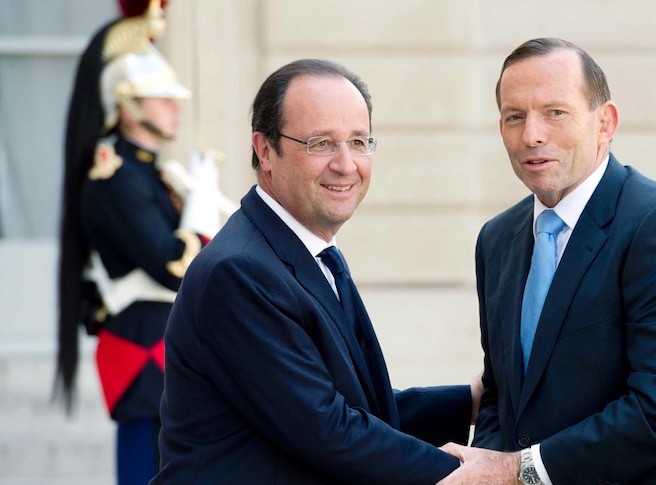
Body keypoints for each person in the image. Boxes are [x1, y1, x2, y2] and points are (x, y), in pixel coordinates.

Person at [152, 58, 479, 485]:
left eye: (359, 142)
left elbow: (360, 409)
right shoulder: (240, 272)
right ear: (266, 150)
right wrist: (479, 476)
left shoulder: (307, 253)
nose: (346, 164)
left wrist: (469, 402)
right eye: (321, 143)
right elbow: (329, 429)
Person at [439, 38, 656, 484]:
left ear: (605, 122)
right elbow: (503, 395)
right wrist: (487, 463)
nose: (532, 134)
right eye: (514, 117)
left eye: (555, 112)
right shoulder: (497, 240)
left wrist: (517, 473)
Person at [56, 1, 221, 483]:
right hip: (144, 348)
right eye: (161, 97)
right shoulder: (114, 178)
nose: (174, 107)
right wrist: (199, 209)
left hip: (167, 345)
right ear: (127, 104)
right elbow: (174, 264)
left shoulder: (146, 172)